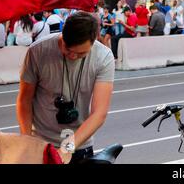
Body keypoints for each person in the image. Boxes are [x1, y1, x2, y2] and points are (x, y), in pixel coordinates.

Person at [16, 12, 115, 164]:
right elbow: (24, 100)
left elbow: (99, 112)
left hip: (79, 144)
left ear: (93, 41)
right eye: (67, 49)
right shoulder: (37, 51)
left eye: (81, 53)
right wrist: (27, 140)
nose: (73, 56)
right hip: (41, 143)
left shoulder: (103, 57)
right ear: (62, 35)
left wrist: (66, 148)